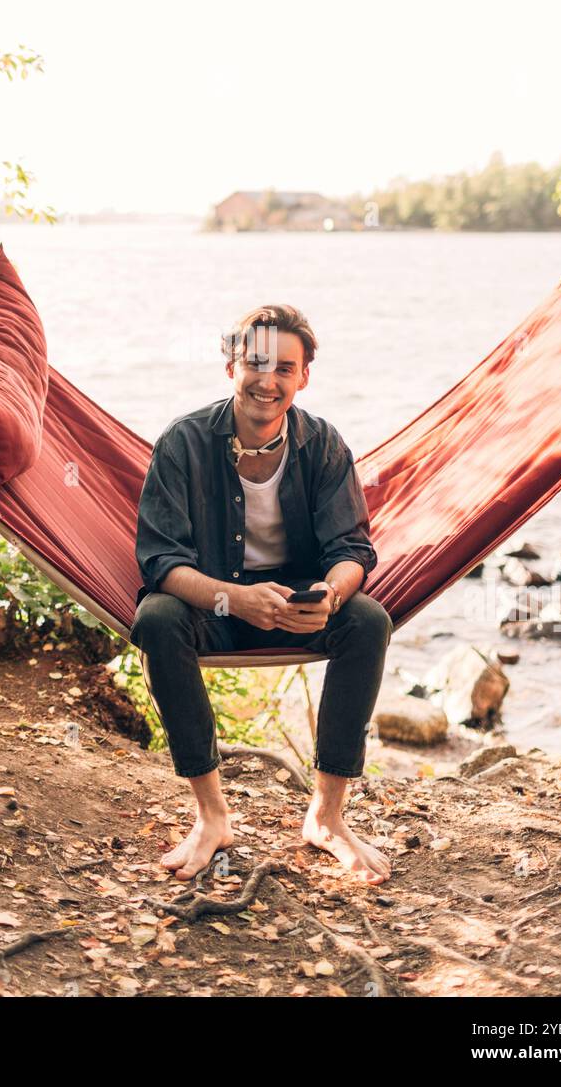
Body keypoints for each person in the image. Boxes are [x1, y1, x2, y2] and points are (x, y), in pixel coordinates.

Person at [131, 303, 393, 883]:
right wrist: (233, 598)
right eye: (256, 363)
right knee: (156, 619)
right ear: (232, 366)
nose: (267, 381)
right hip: (215, 606)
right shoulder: (182, 443)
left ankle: (326, 817)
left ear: (304, 378)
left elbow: (353, 551)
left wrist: (328, 595)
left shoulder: (323, 446)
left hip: (299, 604)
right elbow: (159, 560)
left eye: (285, 368)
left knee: (367, 619)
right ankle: (211, 816)